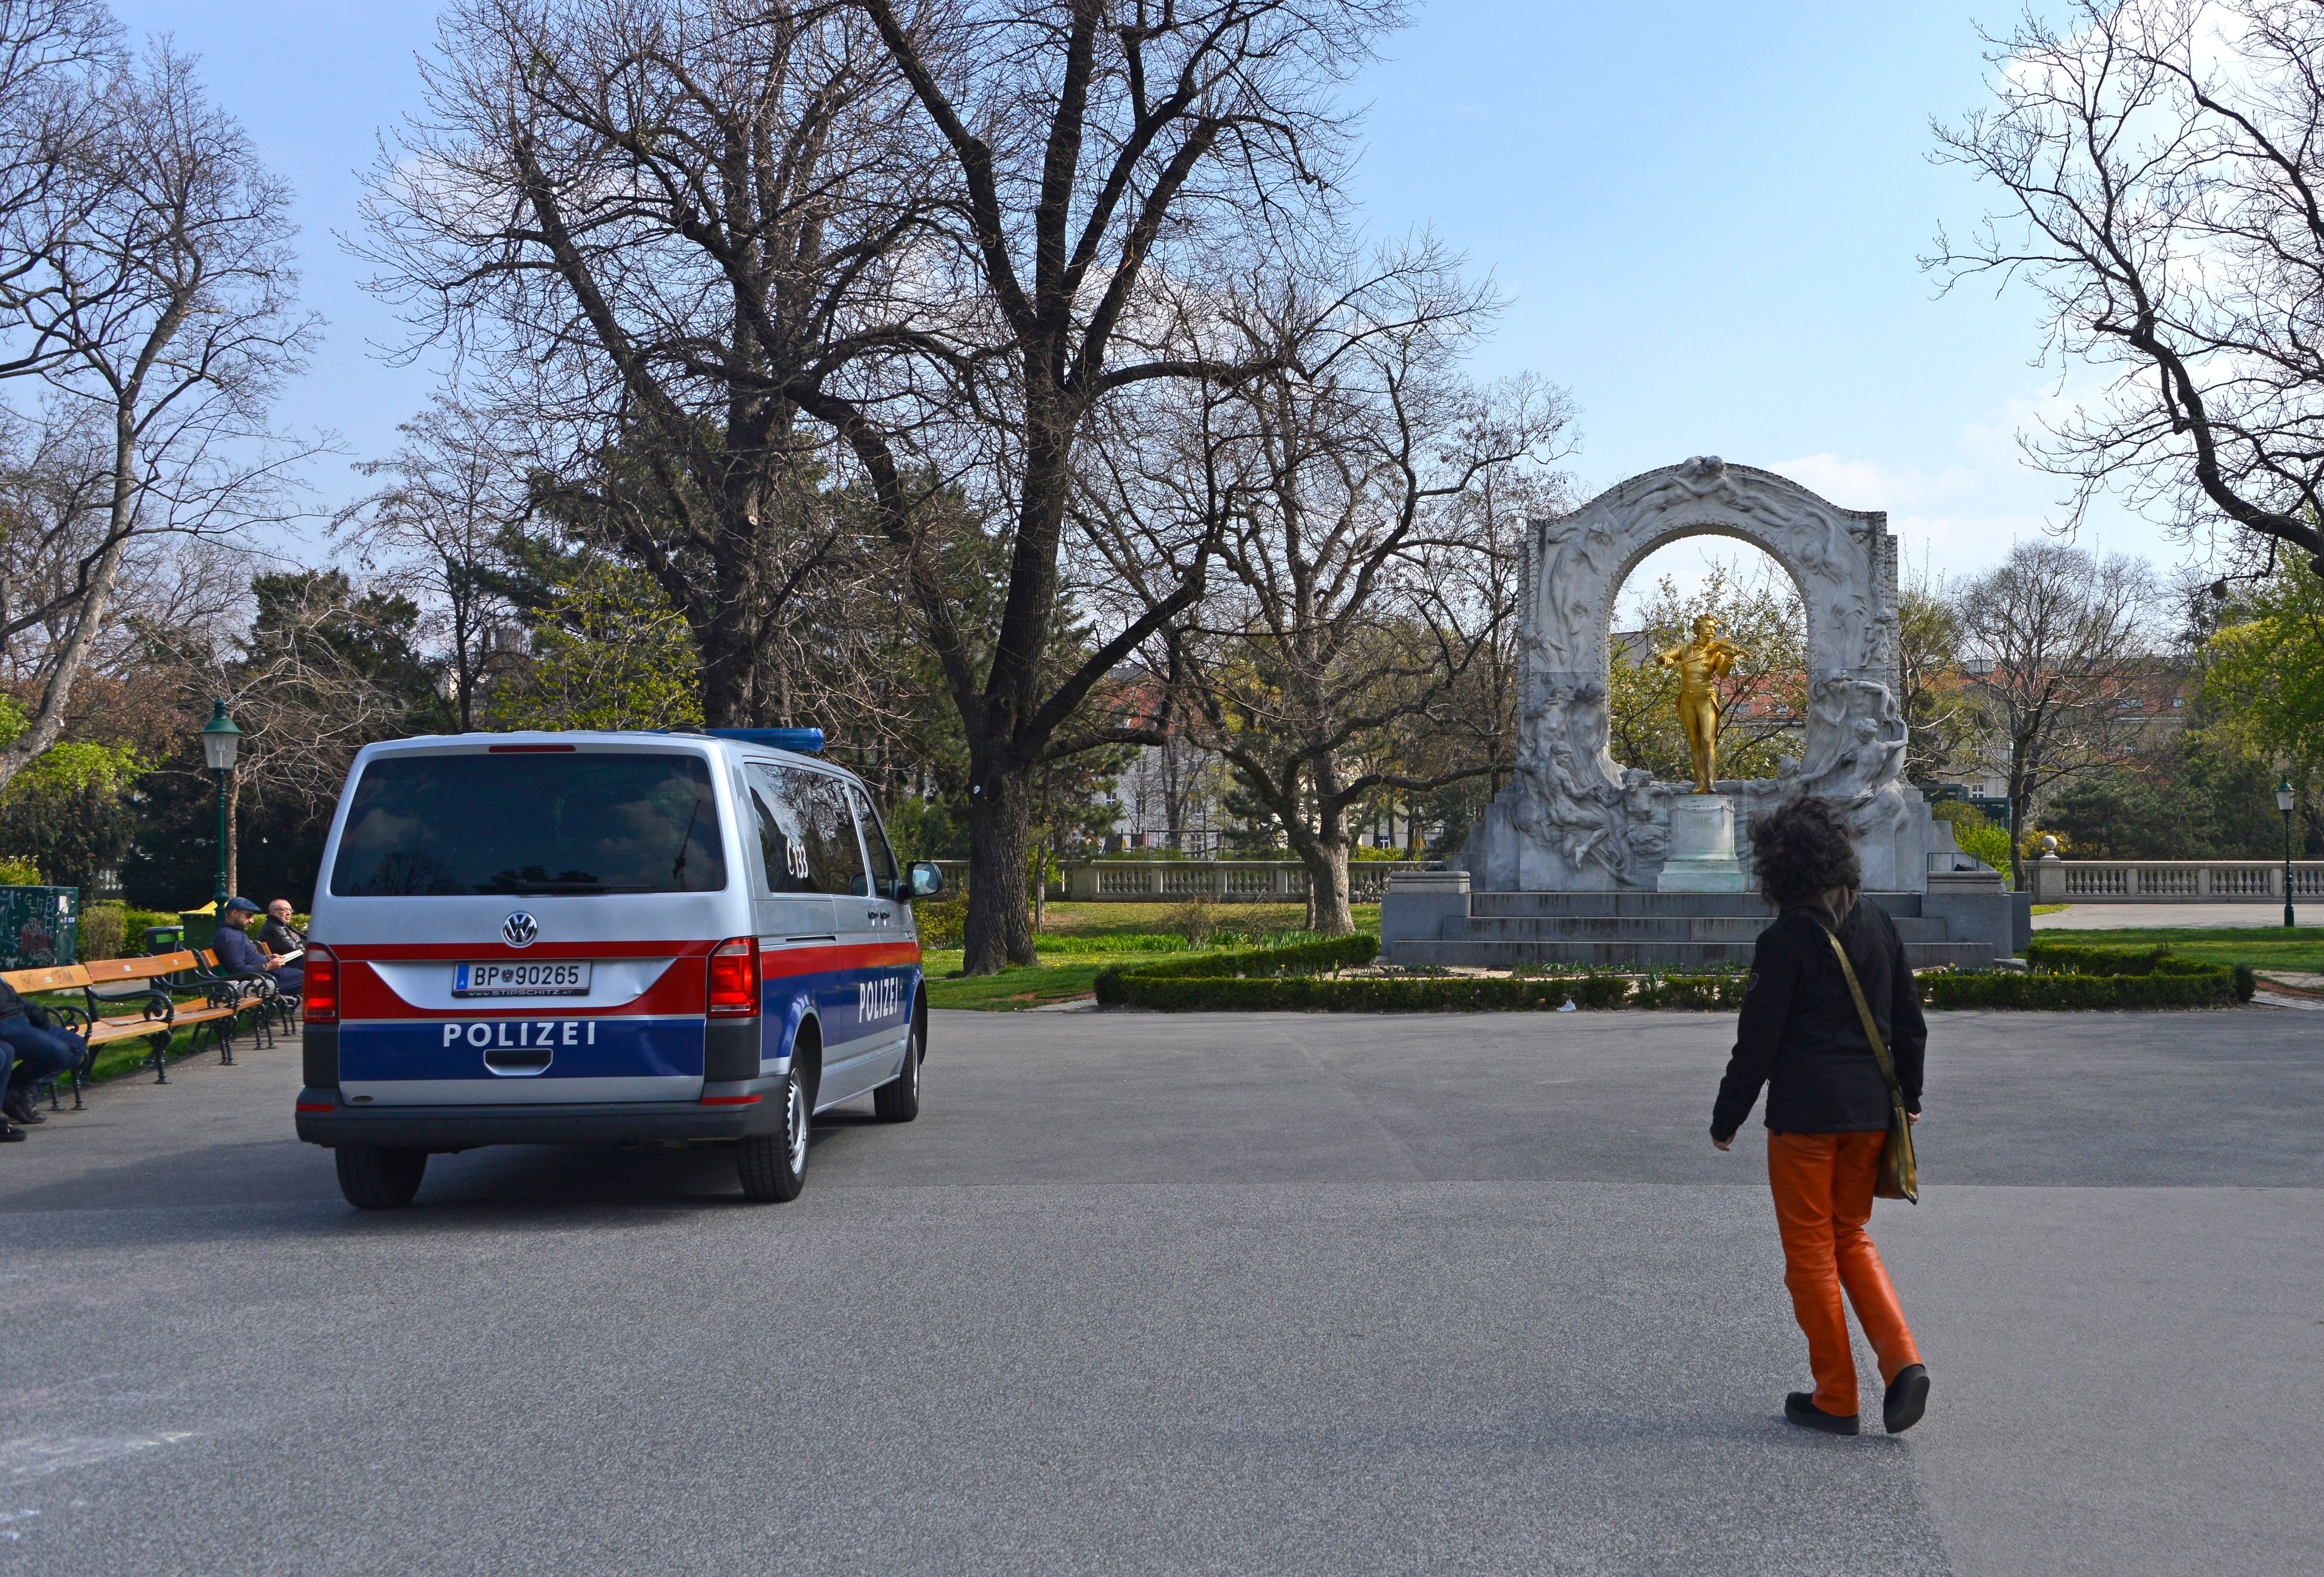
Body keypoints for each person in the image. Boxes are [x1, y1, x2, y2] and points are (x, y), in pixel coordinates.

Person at [1710, 794, 1931, 1437]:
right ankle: (1903, 1362)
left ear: (1778, 868)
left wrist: (1727, 1117)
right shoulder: (1878, 923)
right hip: (1871, 1114)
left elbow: (1757, 1043)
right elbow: (1908, 1021)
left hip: (1806, 1118)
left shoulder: (1783, 941)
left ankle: (1836, 1395)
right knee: (1850, 1235)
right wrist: (1911, 1097)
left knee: (1809, 1250)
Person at [0, 969, 87, 1135]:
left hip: (20, 1018)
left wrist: (31, 1008)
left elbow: (11, 995)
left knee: (76, 1045)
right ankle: (14, 1093)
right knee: (59, 1051)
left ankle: (19, 1090)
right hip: (6, 1024)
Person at [259, 899, 305, 996]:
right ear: (273, 912)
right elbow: (294, 949)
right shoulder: (274, 928)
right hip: (284, 965)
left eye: (290, 910)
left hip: (289, 963)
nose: (289, 913)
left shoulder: (280, 925)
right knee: (315, 961)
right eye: (284, 910)